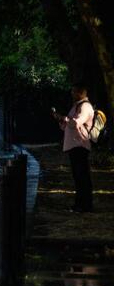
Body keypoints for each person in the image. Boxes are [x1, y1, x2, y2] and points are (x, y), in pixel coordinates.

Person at [52, 83, 94, 212]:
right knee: (78, 176)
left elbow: (75, 123)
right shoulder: (76, 106)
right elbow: (67, 125)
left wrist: (63, 118)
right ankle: (80, 204)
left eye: (74, 92)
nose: (72, 94)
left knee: (82, 176)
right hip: (74, 145)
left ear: (81, 93)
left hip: (79, 144)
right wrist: (60, 119)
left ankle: (84, 205)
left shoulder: (85, 106)